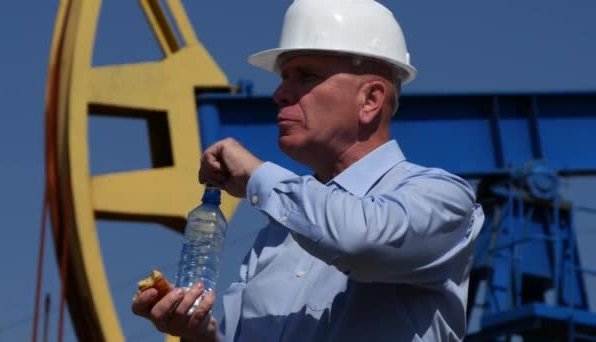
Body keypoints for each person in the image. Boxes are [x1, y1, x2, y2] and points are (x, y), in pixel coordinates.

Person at [132, 0, 485, 341]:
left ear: (370, 100)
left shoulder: (443, 199)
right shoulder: (278, 235)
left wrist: (259, 176)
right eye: (284, 77)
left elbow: (361, 242)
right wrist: (200, 336)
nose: (280, 93)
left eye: (305, 76)